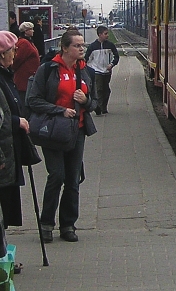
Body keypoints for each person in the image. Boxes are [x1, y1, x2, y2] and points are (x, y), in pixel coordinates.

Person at [26, 29, 98, 243]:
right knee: (56, 175)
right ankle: (46, 223)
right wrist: (60, 110)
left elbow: (94, 102)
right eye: (77, 46)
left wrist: (85, 101)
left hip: (77, 131)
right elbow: (33, 100)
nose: (81, 49)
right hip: (54, 131)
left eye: (83, 45)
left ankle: (68, 225)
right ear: (65, 48)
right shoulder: (48, 70)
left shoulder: (86, 72)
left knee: (73, 180)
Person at [0, 31, 29, 271]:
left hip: (8, 155)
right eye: (12, 51)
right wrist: (16, 121)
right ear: (2, 54)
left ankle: (4, 262)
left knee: (3, 213)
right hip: (2, 158)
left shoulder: (5, 76)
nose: (15, 55)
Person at [84, 25, 119, 115]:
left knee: (106, 90)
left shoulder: (110, 46)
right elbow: (87, 58)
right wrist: (90, 69)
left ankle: (104, 107)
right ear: (100, 35)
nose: (107, 35)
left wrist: (111, 64)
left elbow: (116, 56)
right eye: (105, 33)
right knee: (99, 89)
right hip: (96, 71)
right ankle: (98, 107)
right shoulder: (92, 47)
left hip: (107, 71)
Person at [13, 21, 39, 100]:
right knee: (24, 101)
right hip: (24, 79)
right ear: (26, 31)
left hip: (28, 77)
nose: (33, 31)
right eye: (31, 29)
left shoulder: (28, 41)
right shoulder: (24, 43)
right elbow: (17, 59)